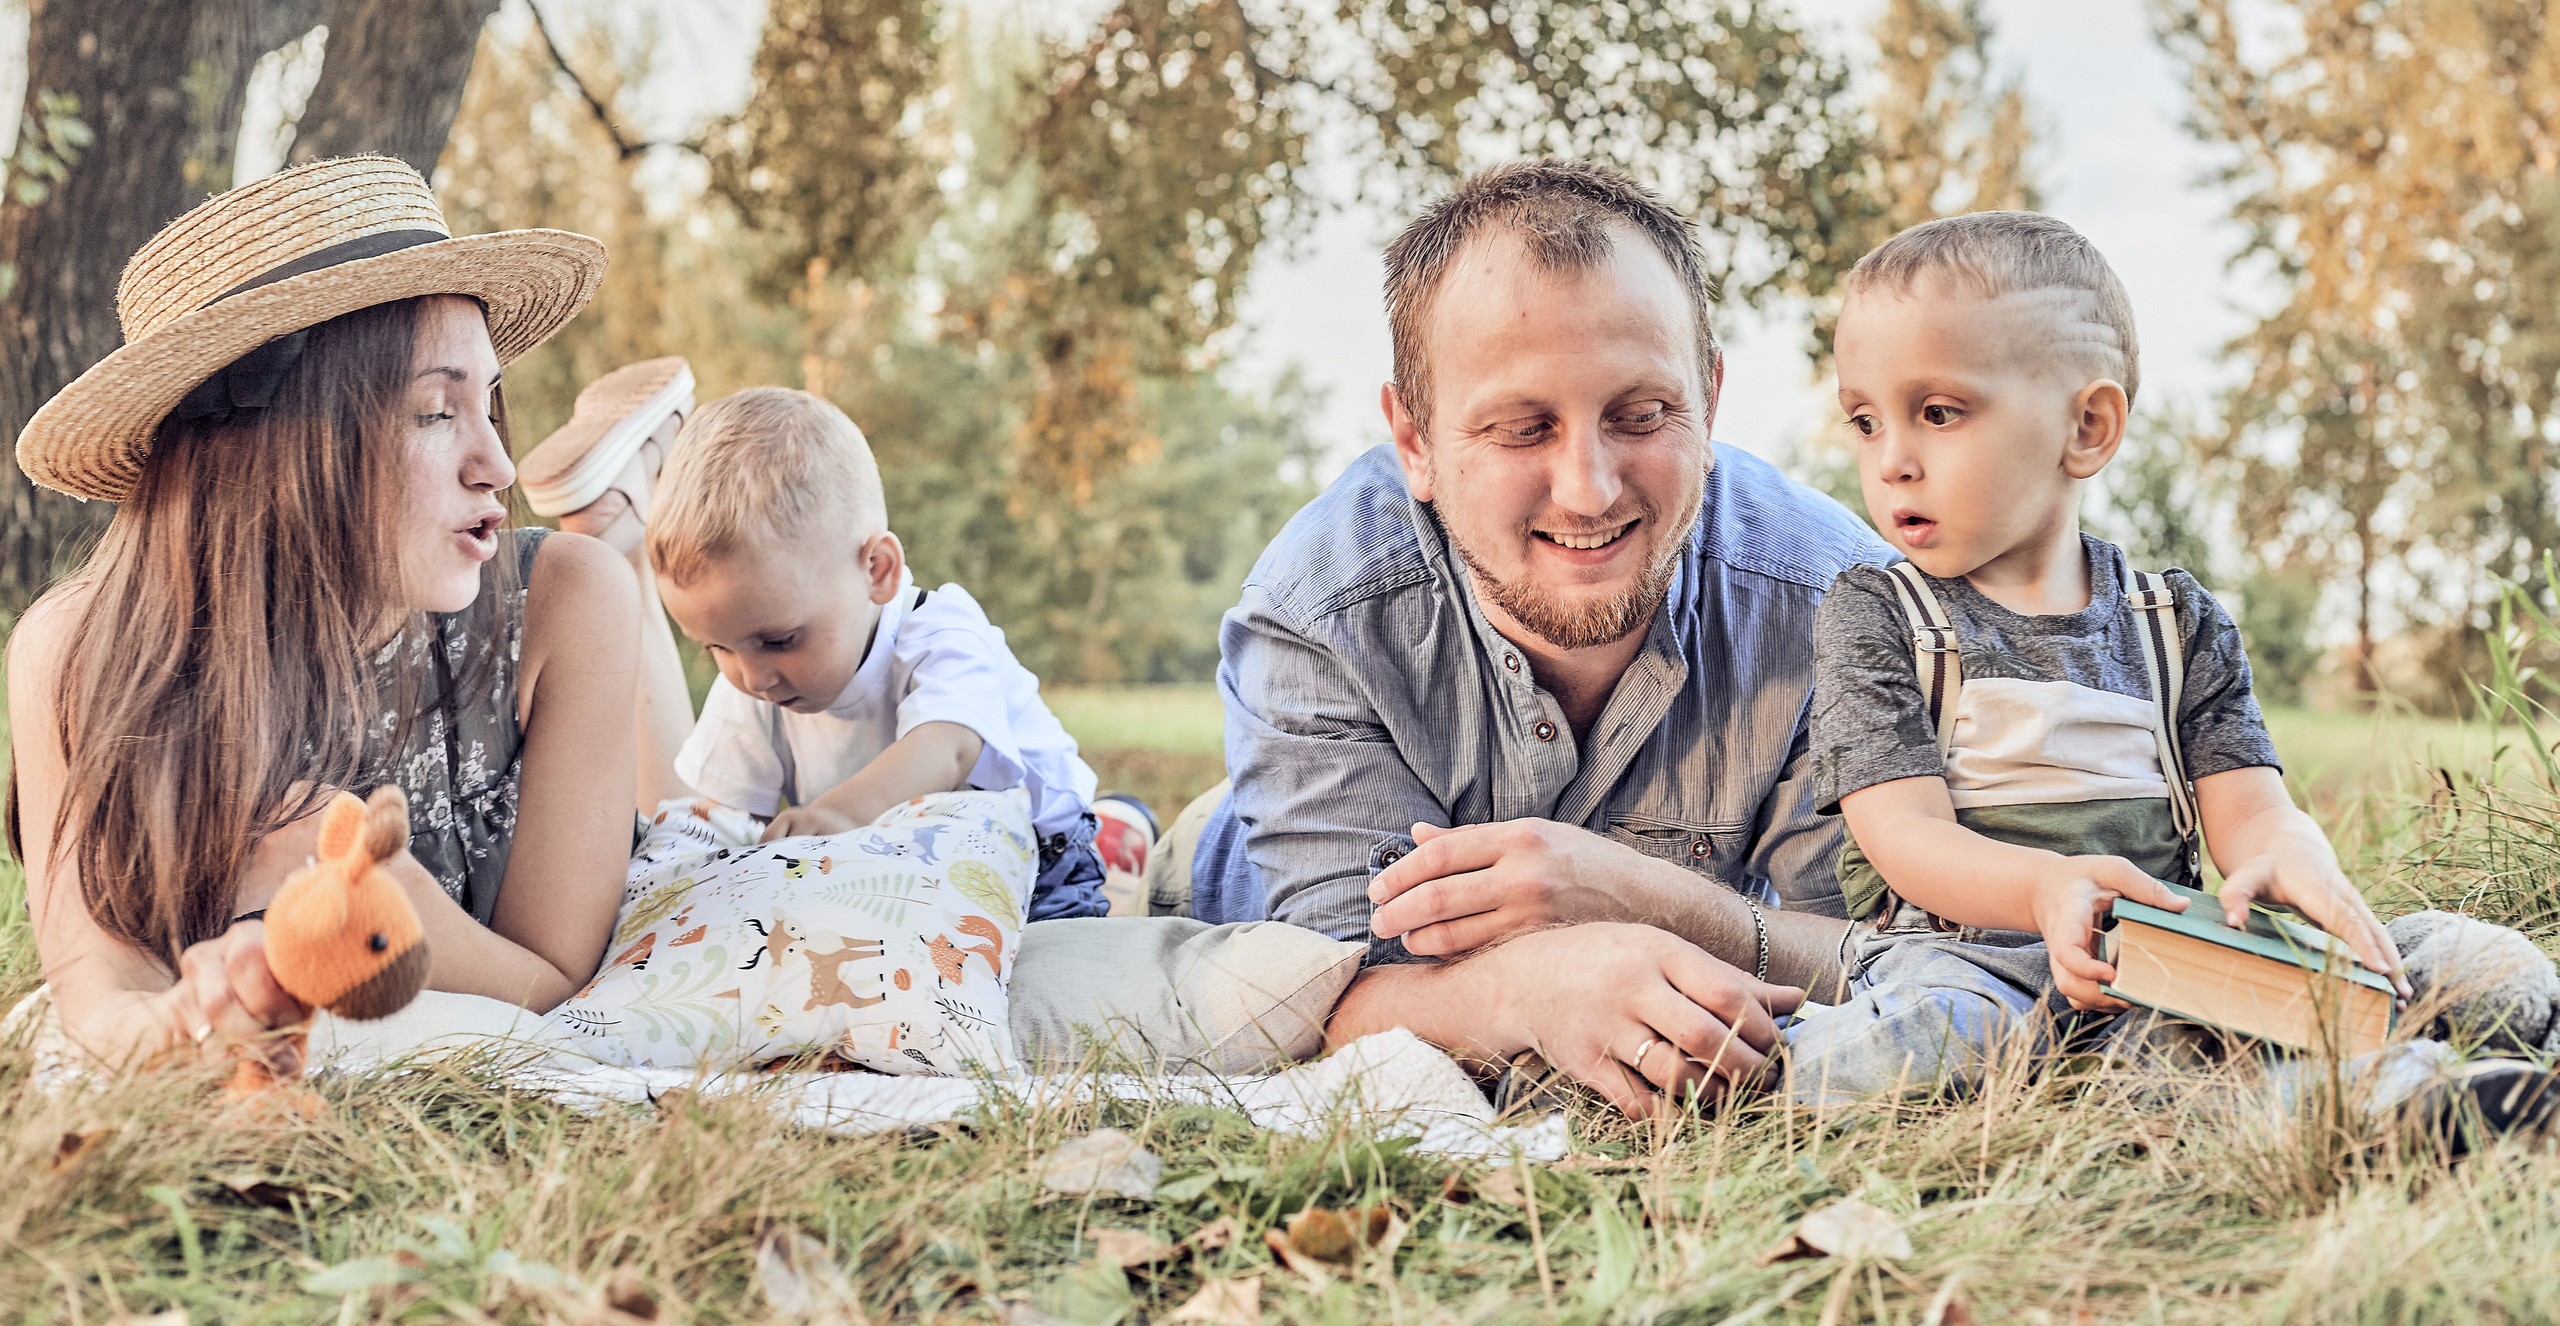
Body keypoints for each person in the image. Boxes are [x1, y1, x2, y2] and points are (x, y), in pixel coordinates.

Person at [1178, 158, 1898, 1115]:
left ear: (1711, 400)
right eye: (1522, 429)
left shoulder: (1842, 607)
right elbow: (1327, 1000)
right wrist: (1531, 986)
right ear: (1416, 441)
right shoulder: (1317, 613)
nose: (1589, 491)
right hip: (1242, 867)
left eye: (1642, 415)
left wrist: (1644, 898)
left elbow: (1886, 960)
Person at [8, 157, 643, 1070]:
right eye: (436, 412)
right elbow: (98, 1003)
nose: (498, 465)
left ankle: (640, 496)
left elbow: (561, 989)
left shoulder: (563, 601)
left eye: (487, 402)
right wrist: (205, 1013)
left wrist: (383, 889)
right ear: (285, 446)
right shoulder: (74, 651)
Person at [1780, 210, 2407, 1105]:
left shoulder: (2175, 624)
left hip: (2152, 959)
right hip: (1965, 963)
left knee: (2350, 985)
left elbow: (2251, 811)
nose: (1892, 462)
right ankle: (1763, 1066)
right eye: (1866, 420)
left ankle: (2419, 1062)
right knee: (1935, 1041)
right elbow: (1905, 835)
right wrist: (2047, 889)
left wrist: (2292, 851)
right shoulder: (1878, 613)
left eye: (1938, 412)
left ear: (2087, 426)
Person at [583, 386, 1110, 918]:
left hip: (1040, 860)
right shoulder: (753, 678)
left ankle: (1121, 827)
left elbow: (949, 746)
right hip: (904, 868)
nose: (753, 676)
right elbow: (719, 817)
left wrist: (840, 815)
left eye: (780, 640)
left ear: (877, 570)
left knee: (1041, 959)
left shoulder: (939, 633)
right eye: (716, 648)